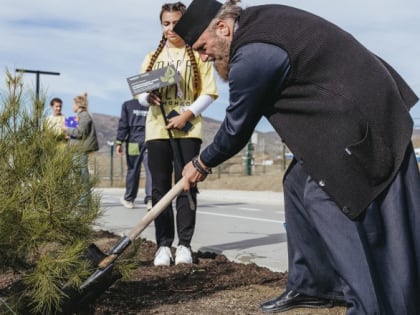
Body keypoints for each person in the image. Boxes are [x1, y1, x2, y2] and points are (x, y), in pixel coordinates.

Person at [176, 0, 420, 314]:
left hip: (364, 119)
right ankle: (316, 285)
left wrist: (201, 162)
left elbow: (236, 128)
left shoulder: (252, 56)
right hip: (352, 114)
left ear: (222, 28)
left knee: (324, 197)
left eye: (201, 46)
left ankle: (367, 305)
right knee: (296, 182)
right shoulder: (261, 22)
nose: (203, 56)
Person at [137, 2, 218, 266]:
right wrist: (147, 97)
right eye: (166, 23)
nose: (171, 28)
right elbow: (139, 95)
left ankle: (184, 245)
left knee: (186, 187)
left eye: (176, 23)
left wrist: (187, 114)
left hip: (188, 129)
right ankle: (163, 245)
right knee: (159, 188)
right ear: (161, 25)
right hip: (157, 130)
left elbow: (209, 92)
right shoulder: (151, 58)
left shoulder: (198, 54)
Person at [116, 98, 152, 210]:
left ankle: (129, 199)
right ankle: (151, 199)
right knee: (150, 170)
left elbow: (123, 124)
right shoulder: (152, 103)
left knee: (133, 169)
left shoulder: (128, 104)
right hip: (149, 139)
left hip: (133, 141)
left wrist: (119, 141)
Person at [62, 92, 99, 185]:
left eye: (73, 104)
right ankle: (82, 198)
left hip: (80, 150)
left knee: (82, 176)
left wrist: (67, 129)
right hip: (77, 149)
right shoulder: (80, 116)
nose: (72, 106)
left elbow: (80, 133)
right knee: (78, 175)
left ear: (78, 105)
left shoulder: (84, 116)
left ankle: (84, 199)